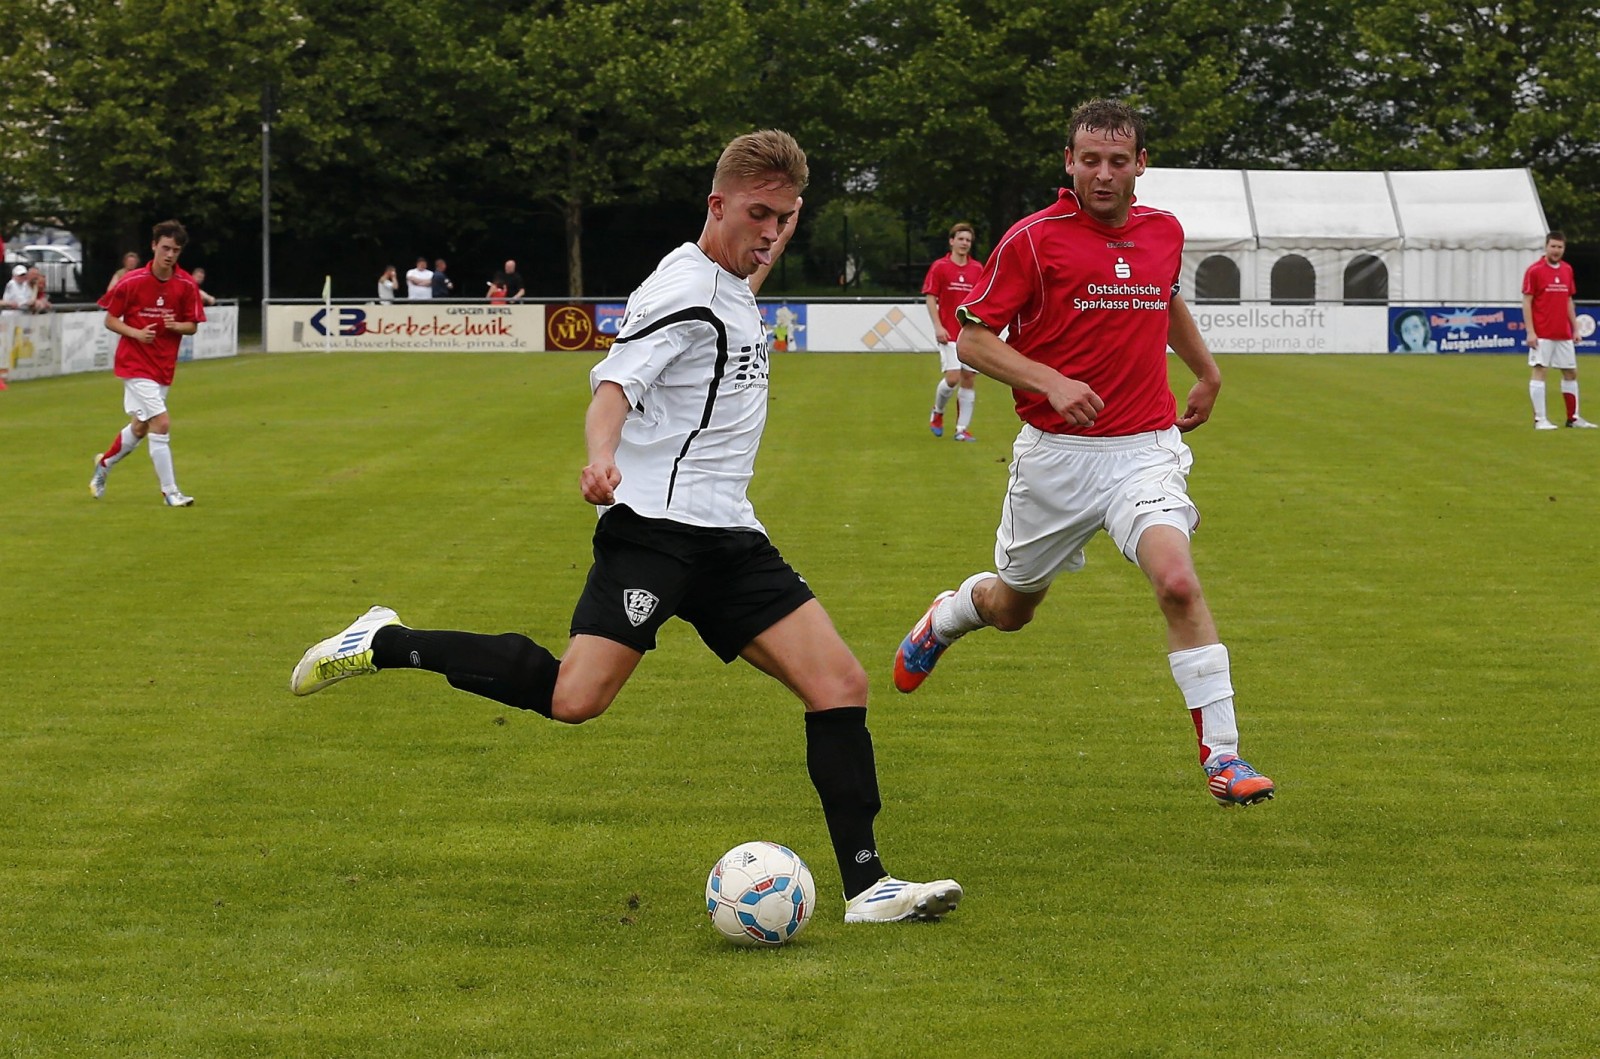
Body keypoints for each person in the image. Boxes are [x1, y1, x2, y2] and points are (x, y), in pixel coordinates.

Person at [290, 130, 962, 925]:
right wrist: (599, 458)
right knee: (575, 698)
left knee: (839, 684)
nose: (772, 233)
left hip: (732, 538)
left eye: (785, 218)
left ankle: (869, 886)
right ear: (716, 206)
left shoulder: (738, 270)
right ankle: (384, 639)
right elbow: (613, 385)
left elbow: (761, 236)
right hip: (653, 532)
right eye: (758, 216)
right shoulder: (680, 290)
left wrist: (777, 218)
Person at [891, 99, 1275, 809]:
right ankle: (946, 616)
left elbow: (1164, 300)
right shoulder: (1033, 240)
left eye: (1118, 161)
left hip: (1145, 449)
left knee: (1179, 583)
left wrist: (1208, 370)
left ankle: (1224, 755)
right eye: (1090, 160)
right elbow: (973, 339)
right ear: (1069, 163)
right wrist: (1050, 380)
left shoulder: (1165, 231)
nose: (1104, 173)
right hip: (1056, 458)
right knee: (1011, 608)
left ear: (1141, 165)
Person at [88, 219, 207, 507]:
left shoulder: (186, 285)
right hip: (134, 364)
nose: (170, 255)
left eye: (175, 250)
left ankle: (103, 465)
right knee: (161, 423)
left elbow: (192, 325)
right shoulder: (132, 281)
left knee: (141, 427)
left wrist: (176, 326)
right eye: (165, 248)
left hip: (163, 366)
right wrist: (136, 333)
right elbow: (110, 319)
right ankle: (170, 492)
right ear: (154, 246)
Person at [1523, 230, 1594, 429]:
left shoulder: (1567, 270)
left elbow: (1568, 300)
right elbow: (1527, 301)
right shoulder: (1534, 270)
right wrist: (1530, 331)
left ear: (1564, 248)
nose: (1556, 250)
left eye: (1560, 247)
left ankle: (1573, 418)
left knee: (1571, 372)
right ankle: (1540, 419)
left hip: (1562, 332)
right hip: (1542, 332)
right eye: (1553, 246)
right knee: (1540, 370)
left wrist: (1575, 328)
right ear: (1546, 247)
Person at [922, 222, 984, 441]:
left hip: (969, 335)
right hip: (948, 333)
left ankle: (961, 429)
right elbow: (931, 297)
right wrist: (938, 326)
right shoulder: (940, 267)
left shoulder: (977, 269)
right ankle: (937, 412)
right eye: (961, 239)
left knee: (968, 378)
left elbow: (982, 301)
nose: (964, 243)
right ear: (951, 241)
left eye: (968, 240)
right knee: (952, 377)